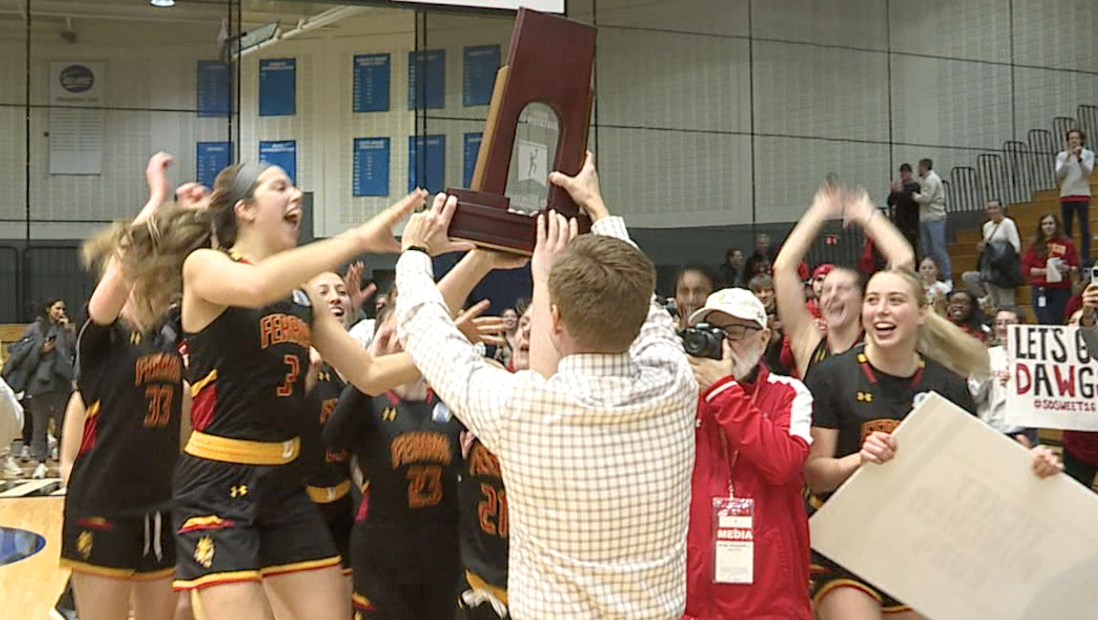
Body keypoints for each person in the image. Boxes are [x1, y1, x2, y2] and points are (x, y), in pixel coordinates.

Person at [114, 162, 432, 620]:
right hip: (217, 482)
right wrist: (358, 237)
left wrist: (448, 350)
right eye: (280, 186)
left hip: (284, 483)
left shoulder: (302, 294)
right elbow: (257, 285)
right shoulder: (207, 266)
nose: (296, 194)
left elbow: (368, 372)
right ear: (244, 209)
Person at [394, 153, 697, 620]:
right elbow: (651, 314)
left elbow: (424, 329)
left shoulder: (522, 410)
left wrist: (415, 251)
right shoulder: (675, 384)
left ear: (553, 321)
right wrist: (597, 208)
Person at [803, 267, 1059, 620]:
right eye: (873, 300)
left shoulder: (948, 385)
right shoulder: (830, 376)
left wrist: (1032, 466)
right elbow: (815, 475)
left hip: (917, 544)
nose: (882, 310)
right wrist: (859, 460)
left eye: (895, 300)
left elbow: (976, 472)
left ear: (922, 313)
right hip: (844, 543)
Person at [61, 151, 191, 620]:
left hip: (160, 505)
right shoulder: (100, 338)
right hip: (104, 504)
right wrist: (158, 196)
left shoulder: (170, 339)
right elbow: (127, 257)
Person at [324, 310, 464, 620]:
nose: (405, 337)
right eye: (396, 329)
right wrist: (369, 367)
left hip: (441, 559)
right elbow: (334, 438)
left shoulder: (450, 398)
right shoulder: (368, 400)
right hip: (381, 561)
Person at [684, 289, 813, 620]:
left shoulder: (790, 393)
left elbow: (783, 464)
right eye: (714, 331)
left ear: (764, 338)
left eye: (735, 332)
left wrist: (723, 391)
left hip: (769, 597)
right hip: (694, 595)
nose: (724, 344)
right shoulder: (681, 397)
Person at [774, 184, 914, 379]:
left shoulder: (879, 344)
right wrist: (818, 212)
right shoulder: (809, 345)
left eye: (843, 289)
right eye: (827, 289)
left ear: (862, 301)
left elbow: (904, 260)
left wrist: (867, 215)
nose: (832, 295)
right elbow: (783, 269)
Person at [3, 296, 77, 478]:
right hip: (39, 384)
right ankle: (40, 462)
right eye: (57, 308)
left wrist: (68, 331)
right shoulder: (35, 328)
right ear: (48, 309)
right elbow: (19, 352)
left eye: (63, 309)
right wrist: (40, 349)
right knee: (40, 425)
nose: (61, 312)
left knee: (63, 425)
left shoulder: (66, 330)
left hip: (61, 383)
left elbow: (74, 351)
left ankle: (64, 460)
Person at [969, 308, 1034, 442]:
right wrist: (984, 375)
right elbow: (975, 395)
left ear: (1021, 326)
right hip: (991, 427)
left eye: (1008, 323)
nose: (1002, 328)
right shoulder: (987, 355)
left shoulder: (1035, 356)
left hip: (1024, 429)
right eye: (998, 323)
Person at [961, 200, 1022, 309]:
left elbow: (1016, 247)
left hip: (1004, 269)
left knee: (1006, 304)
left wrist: (998, 249)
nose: (992, 211)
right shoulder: (986, 226)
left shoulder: (1008, 223)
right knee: (994, 303)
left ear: (1001, 209)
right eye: (990, 208)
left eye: (995, 208)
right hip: (990, 268)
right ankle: (987, 299)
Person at [1020, 213, 1079, 325]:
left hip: (1061, 289)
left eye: (1051, 223)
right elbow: (1025, 268)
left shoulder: (1067, 243)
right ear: (1041, 227)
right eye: (1045, 224)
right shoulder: (1035, 245)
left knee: (1059, 321)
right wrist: (1045, 271)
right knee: (1044, 320)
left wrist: (1066, 268)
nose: (1048, 226)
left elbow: (1075, 266)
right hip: (1040, 288)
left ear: (1056, 225)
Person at [1056, 129, 1096, 264]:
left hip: (1082, 194)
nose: (1073, 141)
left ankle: (1085, 258)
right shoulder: (1062, 156)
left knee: (1084, 228)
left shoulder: (1088, 154)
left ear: (1081, 140)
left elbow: (1087, 173)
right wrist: (1068, 158)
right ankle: (1068, 258)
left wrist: (1079, 158)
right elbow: (1059, 175)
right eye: (1071, 138)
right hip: (1066, 194)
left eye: (1076, 138)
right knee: (1066, 229)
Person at [912, 158, 951, 282]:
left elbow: (926, 198)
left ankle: (947, 277)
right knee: (927, 250)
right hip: (926, 218)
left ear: (924, 167)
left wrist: (915, 196)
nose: (918, 170)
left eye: (919, 167)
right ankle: (929, 277)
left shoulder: (931, 180)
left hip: (935, 218)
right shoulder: (927, 180)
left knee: (938, 249)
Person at [887, 163, 920, 251]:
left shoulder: (915, 186)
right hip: (900, 222)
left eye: (905, 172)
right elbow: (890, 202)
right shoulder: (900, 187)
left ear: (910, 173)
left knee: (912, 248)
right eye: (902, 172)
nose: (903, 174)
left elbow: (910, 199)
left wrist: (900, 191)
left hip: (911, 223)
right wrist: (893, 192)